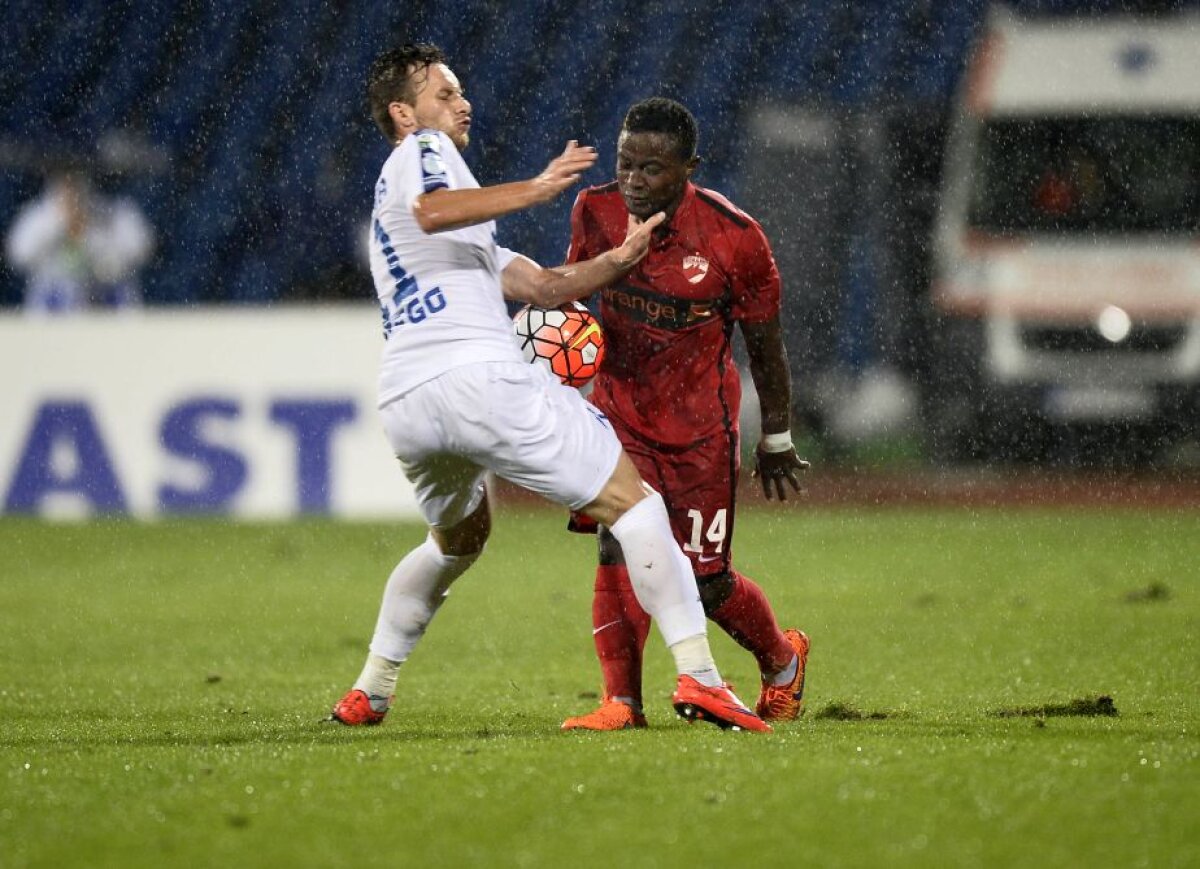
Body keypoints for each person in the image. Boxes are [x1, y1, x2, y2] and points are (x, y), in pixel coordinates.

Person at [328, 44, 769, 733]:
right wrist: (538, 187)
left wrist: (620, 259)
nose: (461, 103)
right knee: (637, 504)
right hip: (475, 377)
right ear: (403, 113)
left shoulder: (445, 231)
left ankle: (371, 687)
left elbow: (542, 286)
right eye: (444, 94)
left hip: (409, 402)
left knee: (456, 540)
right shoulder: (419, 157)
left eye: (460, 91)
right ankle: (703, 677)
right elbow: (432, 210)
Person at [559, 98, 811, 731]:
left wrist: (776, 435)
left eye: (653, 168)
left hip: (699, 432)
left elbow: (766, 346)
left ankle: (782, 660)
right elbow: (570, 298)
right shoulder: (595, 211)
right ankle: (623, 702)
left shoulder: (734, 238)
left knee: (704, 583)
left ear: (689, 168)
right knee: (619, 550)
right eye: (625, 165)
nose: (635, 181)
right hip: (619, 417)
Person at [5, 167, 154, 313]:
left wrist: (92, 235)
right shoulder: (38, 216)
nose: (71, 191)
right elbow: (17, 256)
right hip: (53, 297)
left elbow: (142, 248)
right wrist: (58, 225)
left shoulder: (109, 211)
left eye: (76, 185)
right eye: (66, 186)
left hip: (101, 296)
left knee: (118, 290)